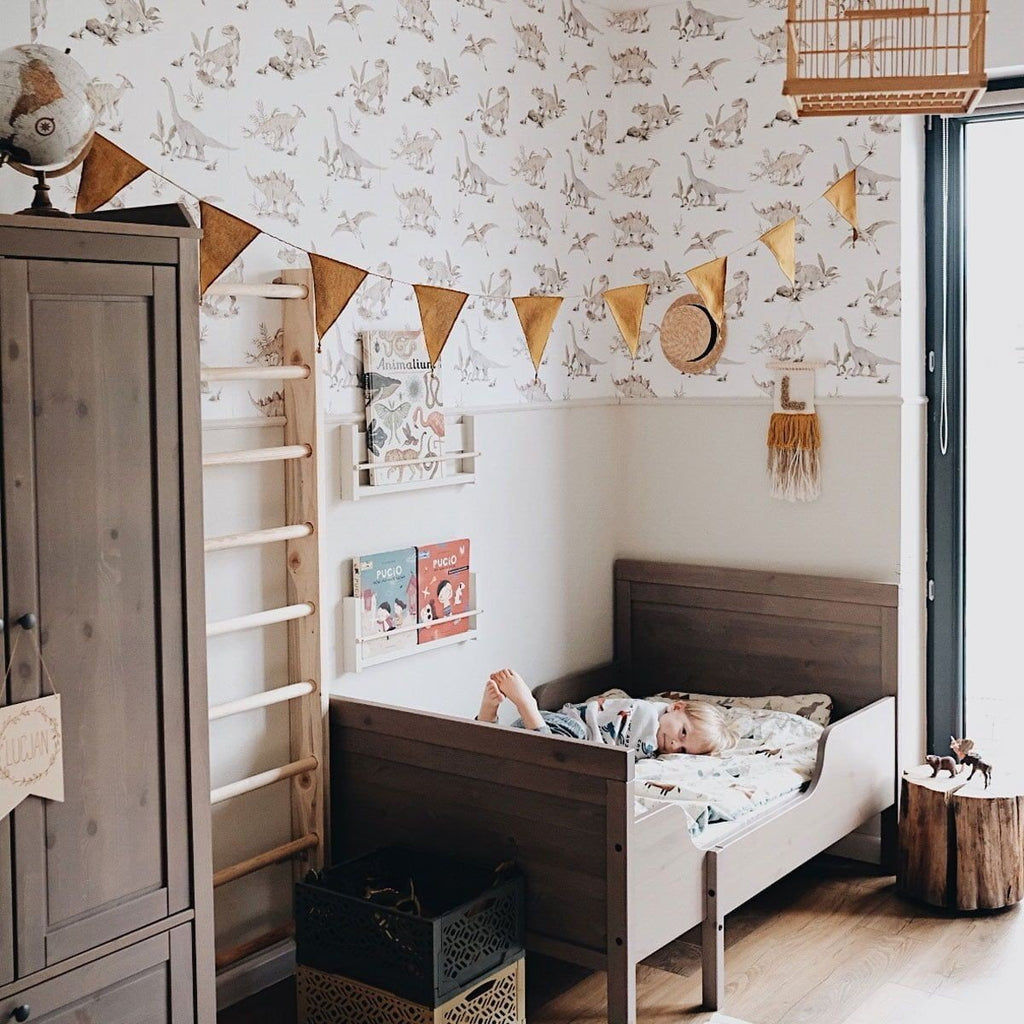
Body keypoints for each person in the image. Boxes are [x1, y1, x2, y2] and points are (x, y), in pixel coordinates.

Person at [477, 668, 738, 760]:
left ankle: (487, 722)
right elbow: (633, 747)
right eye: (682, 732)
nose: (673, 744)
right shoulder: (647, 714)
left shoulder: (660, 738)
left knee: (504, 750)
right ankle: (527, 704)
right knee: (566, 752)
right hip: (566, 727)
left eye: (682, 750)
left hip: (538, 733)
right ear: (676, 707)